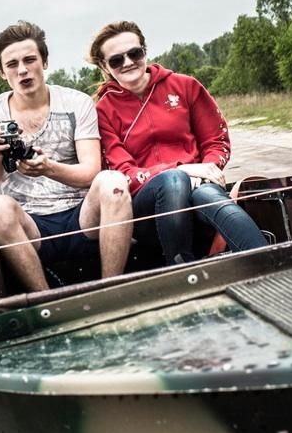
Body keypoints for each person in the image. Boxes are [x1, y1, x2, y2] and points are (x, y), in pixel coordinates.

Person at [0, 21, 133, 292]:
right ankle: (44, 300)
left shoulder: (76, 102)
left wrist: (49, 168)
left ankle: (112, 289)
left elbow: (91, 172)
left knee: (113, 182)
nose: (22, 70)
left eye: (30, 59)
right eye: (12, 64)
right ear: (1, 72)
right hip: (31, 225)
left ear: (44, 62)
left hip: (82, 216)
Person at [89, 20, 267, 265]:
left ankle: (270, 259)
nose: (128, 62)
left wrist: (207, 171)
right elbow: (123, 172)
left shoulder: (185, 86)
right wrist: (181, 170)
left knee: (210, 196)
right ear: (104, 66)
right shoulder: (103, 111)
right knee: (174, 180)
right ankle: (181, 269)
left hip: (198, 186)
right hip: (146, 206)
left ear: (145, 51)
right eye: (117, 60)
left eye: (134, 53)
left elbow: (217, 140)